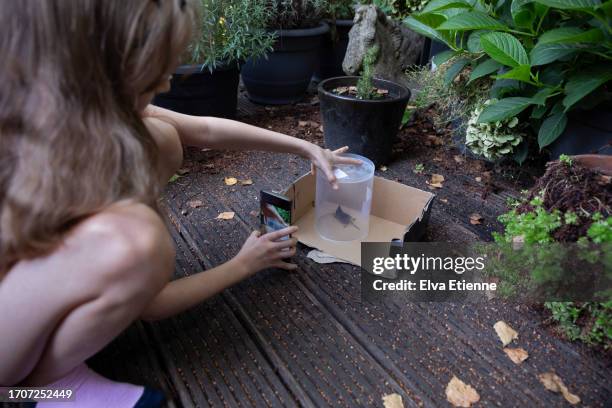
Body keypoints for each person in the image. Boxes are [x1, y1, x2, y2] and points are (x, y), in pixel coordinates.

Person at [0, 1, 358, 406]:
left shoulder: (67, 104)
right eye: (154, 72)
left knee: (160, 135)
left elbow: (202, 128)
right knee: (136, 244)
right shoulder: (41, 158)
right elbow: (152, 305)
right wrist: (243, 264)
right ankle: (46, 387)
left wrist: (305, 148)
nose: (166, 84)